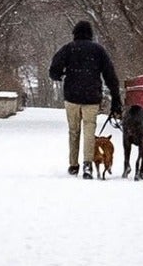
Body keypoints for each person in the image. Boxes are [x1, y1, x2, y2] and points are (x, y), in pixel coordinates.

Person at [49, 20, 122, 179]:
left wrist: (62, 75)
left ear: (74, 33)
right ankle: (88, 165)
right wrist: (116, 98)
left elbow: (53, 71)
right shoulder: (98, 50)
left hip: (72, 97)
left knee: (73, 131)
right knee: (90, 131)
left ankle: (73, 165)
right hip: (92, 97)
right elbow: (110, 76)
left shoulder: (68, 49)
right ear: (90, 34)